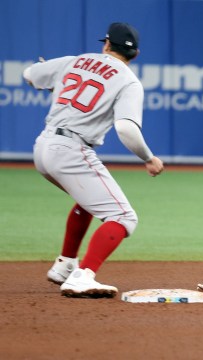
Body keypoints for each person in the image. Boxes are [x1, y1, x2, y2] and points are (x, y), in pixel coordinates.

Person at [23, 22, 164, 298]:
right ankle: (83, 276)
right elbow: (126, 128)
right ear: (134, 54)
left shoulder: (76, 61)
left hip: (43, 146)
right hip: (71, 150)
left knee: (90, 200)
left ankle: (65, 264)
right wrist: (149, 158)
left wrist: (53, 81)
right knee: (123, 217)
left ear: (107, 45)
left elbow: (30, 75)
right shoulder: (128, 81)